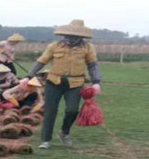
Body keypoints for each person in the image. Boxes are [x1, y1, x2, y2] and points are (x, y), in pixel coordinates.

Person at [20, 19, 102, 148]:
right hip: (54, 82)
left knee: (72, 110)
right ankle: (46, 140)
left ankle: (64, 132)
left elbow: (92, 65)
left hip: (75, 83)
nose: (72, 38)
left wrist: (96, 82)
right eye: (70, 35)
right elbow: (41, 62)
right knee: (50, 111)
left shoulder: (87, 48)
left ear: (81, 36)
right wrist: (27, 77)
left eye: (76, 36)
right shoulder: (54, 46)